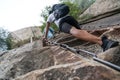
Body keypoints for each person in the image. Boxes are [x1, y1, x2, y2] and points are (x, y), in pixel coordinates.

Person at [43, 3, 119, 51]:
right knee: (81, 32)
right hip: (70, 18)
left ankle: (103, 41)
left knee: (75, 32)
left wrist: (45, 37)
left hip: (62, 22)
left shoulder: (50, 16)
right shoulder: (58, 10)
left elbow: (47, 28)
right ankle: (101, 41)